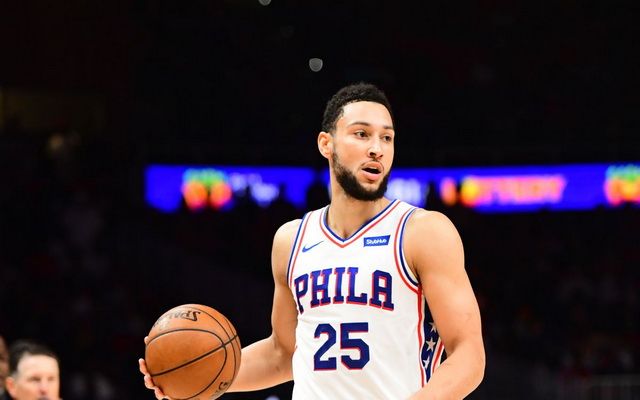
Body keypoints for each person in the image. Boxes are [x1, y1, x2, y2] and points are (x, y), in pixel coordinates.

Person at [140, 82, 485, 399]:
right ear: (326, 144)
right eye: (362, 134)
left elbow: (468, 354)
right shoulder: (291, 240)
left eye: (387, 138)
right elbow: (282, 354)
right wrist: (191, 376)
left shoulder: (422, 231)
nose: (376, 149)